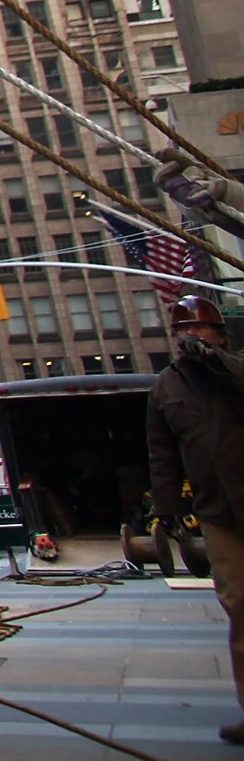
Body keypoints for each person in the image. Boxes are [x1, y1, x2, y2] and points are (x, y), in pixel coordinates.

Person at [148, 293, 244, 743]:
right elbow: (163, 454)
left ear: (220, 334)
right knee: (239, 606)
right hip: (219, 512)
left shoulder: (235, 369)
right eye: (184, 330)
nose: (191, 336)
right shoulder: (166, 387)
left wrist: (217, 362)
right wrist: (165, 510)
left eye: (200, 328)